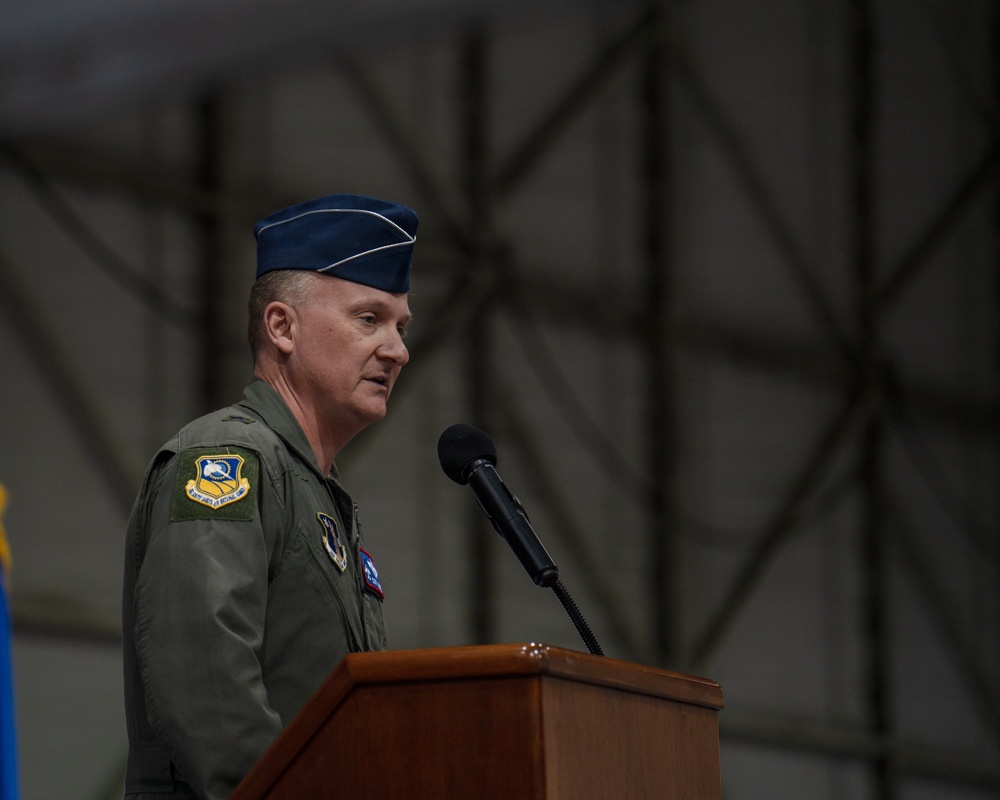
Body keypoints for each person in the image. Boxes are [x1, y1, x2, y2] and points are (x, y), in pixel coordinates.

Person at [121, 194, 418, 800]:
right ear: (281, 327)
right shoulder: (226, 462)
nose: (398, 350)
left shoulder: (311, 486)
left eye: (401, 327)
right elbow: (210, 694)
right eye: (370, 319)